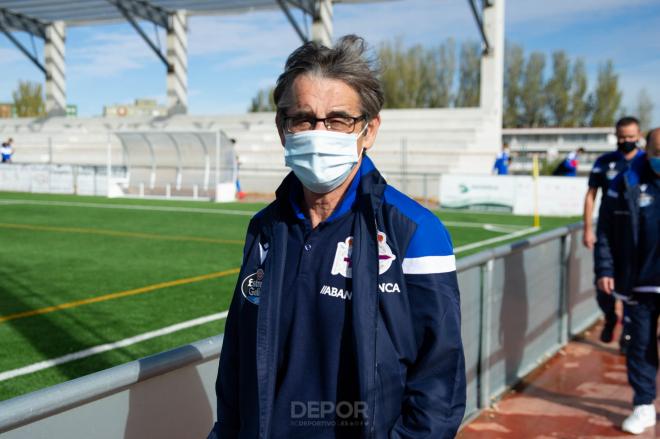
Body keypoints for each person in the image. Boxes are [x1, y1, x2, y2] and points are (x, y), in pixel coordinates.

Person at [208, 35, 466, 439]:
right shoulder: (265, 229)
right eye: (304, 118)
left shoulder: (414, 232)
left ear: (369, 129)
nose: (319, 131)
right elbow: (237, 357)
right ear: (282, 129)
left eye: (338, 119)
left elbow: (439, 383)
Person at [595, 128, 660, 435]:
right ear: (648, 150)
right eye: (657, 154)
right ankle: (644, 405)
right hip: (640, 281)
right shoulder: (627, 180)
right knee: (640, 345)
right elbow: (605, 229)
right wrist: (605, 269)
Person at [583, 117, 643, 347]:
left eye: (630, 137)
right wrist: (588, 228)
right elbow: (591, 196)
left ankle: (628, 331)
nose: (626, 141)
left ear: (638, 136)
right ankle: (610, 317)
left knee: (632, 286)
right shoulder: (604, 162)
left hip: (636, 237)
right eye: (622, 137)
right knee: (603, 284)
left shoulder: (645, 163)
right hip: (608, 234)